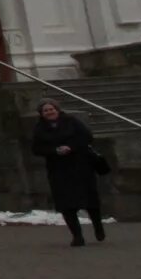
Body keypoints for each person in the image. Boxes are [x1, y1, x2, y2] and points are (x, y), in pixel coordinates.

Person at [31, 99, 107, 246]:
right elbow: (36, 149)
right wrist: (55, 150)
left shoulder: (71, 121)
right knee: (66, 204)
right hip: (58, 170)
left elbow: (87, 137)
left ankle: (98, 227)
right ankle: (77, 236)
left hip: (81, 166)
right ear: (41, 113)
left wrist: (70, 147)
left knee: (90, 201)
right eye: (45, 110)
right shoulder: (39, 128)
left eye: (51, 109)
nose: (49, 112)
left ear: (57, 109)